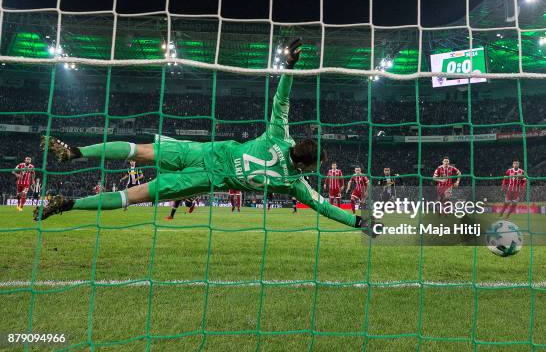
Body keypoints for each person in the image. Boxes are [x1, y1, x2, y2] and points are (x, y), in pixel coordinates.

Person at [34, 40, 377, 235]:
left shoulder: (278, 137)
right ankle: (69, 204)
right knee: (135, 194)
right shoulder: (295, 184)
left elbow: (281, 101)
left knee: (139, 152)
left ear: (295, 144)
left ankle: (75, 152)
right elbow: (323, 207)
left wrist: (289, 67)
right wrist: (358, 221)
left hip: (204, 151)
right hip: (207, 177)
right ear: (307, 166)